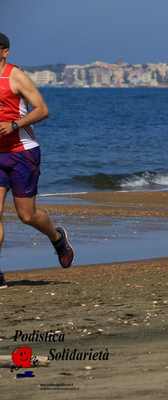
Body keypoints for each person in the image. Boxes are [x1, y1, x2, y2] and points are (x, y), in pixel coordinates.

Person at [0, 32, 74, 288]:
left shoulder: (15, 76)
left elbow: (42, 109)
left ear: (4, 52)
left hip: (23, 153)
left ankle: (57, 238)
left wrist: (14, 124)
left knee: (27, 215)